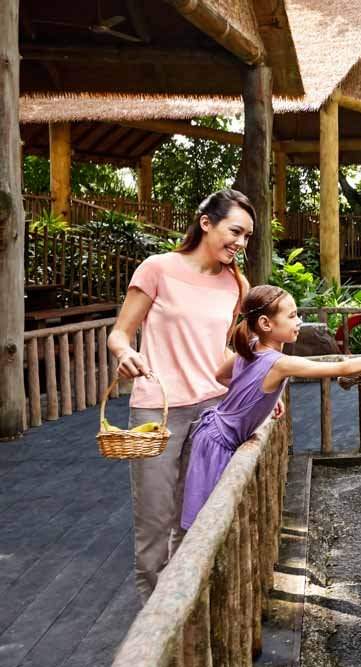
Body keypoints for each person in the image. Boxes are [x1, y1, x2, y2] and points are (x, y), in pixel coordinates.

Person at [178, 285, 361, 530]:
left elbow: (222, 376)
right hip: (217, 444)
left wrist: (264, 397)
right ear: (266, 324)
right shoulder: (278, 362)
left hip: (212, 433)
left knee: (215, 516)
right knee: (207, 522)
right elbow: (343, 368)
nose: (299, 321)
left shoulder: (253, 347)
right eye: (291, 316)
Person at [108, 190, 255, 601]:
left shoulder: (235, 284)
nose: (240, 243)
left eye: (246, 237)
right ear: (206, 223)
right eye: (235, 232)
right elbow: (120, 333)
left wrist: (255, 390)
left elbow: (220, 352)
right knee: (154, 519)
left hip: (211, 411)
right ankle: (151, 617)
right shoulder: (157, 269)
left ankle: (186, 607)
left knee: (195, 516)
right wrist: (126, 353)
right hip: (156, 409)